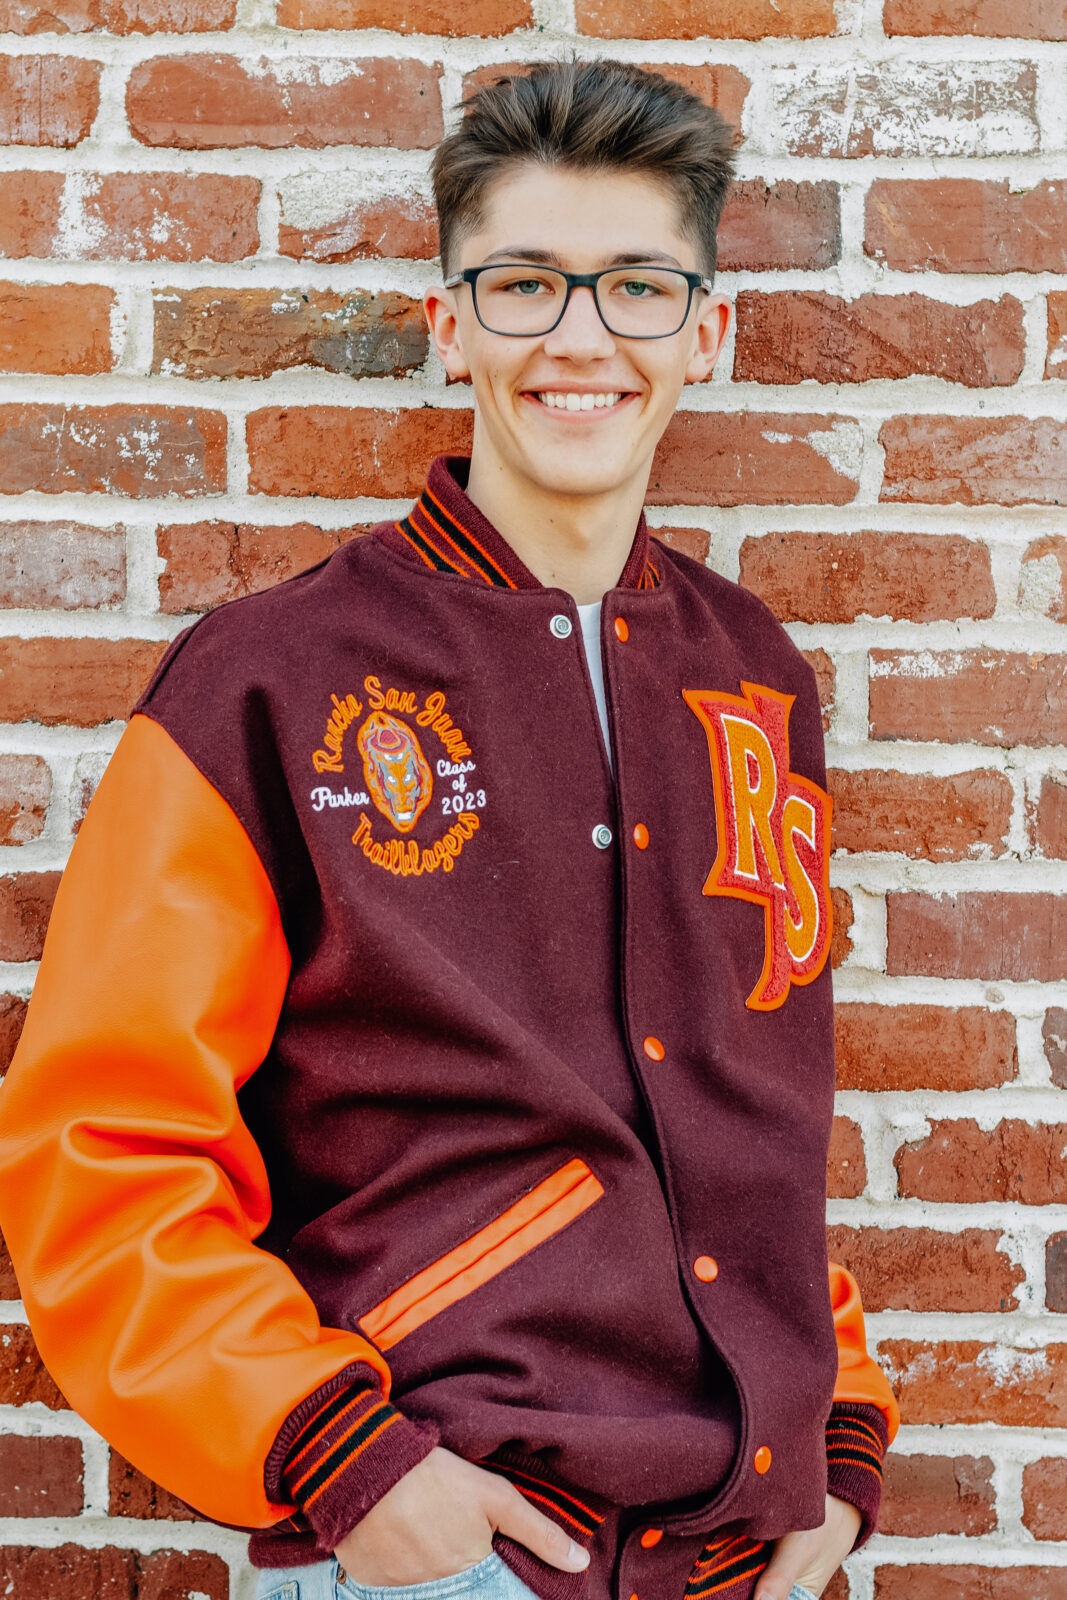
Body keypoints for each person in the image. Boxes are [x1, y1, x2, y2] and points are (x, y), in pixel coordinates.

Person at [0, 58, 899, 1600]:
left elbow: (753, 1105)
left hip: (733, 1559)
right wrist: (342, 1462)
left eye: (634, 288)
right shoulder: (268, 682)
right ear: (449, 324)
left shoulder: (755, 679)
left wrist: (845, 1440)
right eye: (525, 284)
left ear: (707, 332)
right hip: (437, 1549)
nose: (578, 339)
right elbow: (103, 1149)